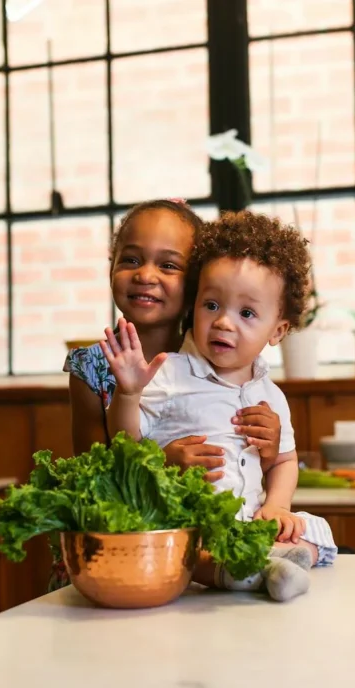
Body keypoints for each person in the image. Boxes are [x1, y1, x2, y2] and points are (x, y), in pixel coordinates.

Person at [100, 210, 337, 602]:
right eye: (212, 305)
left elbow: (284, 461)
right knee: (189, 549)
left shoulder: (271, 396)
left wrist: (278, 506)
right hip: (195, 523)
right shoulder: (171, 373)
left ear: (277, 331)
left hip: (251, 522)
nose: (224, 323)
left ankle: (276, 561)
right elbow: (125, 442)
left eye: (246, 313)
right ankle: (240, 571)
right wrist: (127, 394)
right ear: (194, 304)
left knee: (311, 528)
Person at [57, 199, 284, 590]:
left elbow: (243, 462)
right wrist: (161, 463)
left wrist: (272, 441)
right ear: (110, 266)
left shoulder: (221, 351)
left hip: (204, 554)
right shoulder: (92, 367)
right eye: (130, 260)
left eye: (168, 265)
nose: (145, 275)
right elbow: (91, 476)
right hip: (121, 552)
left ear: (197, 282)